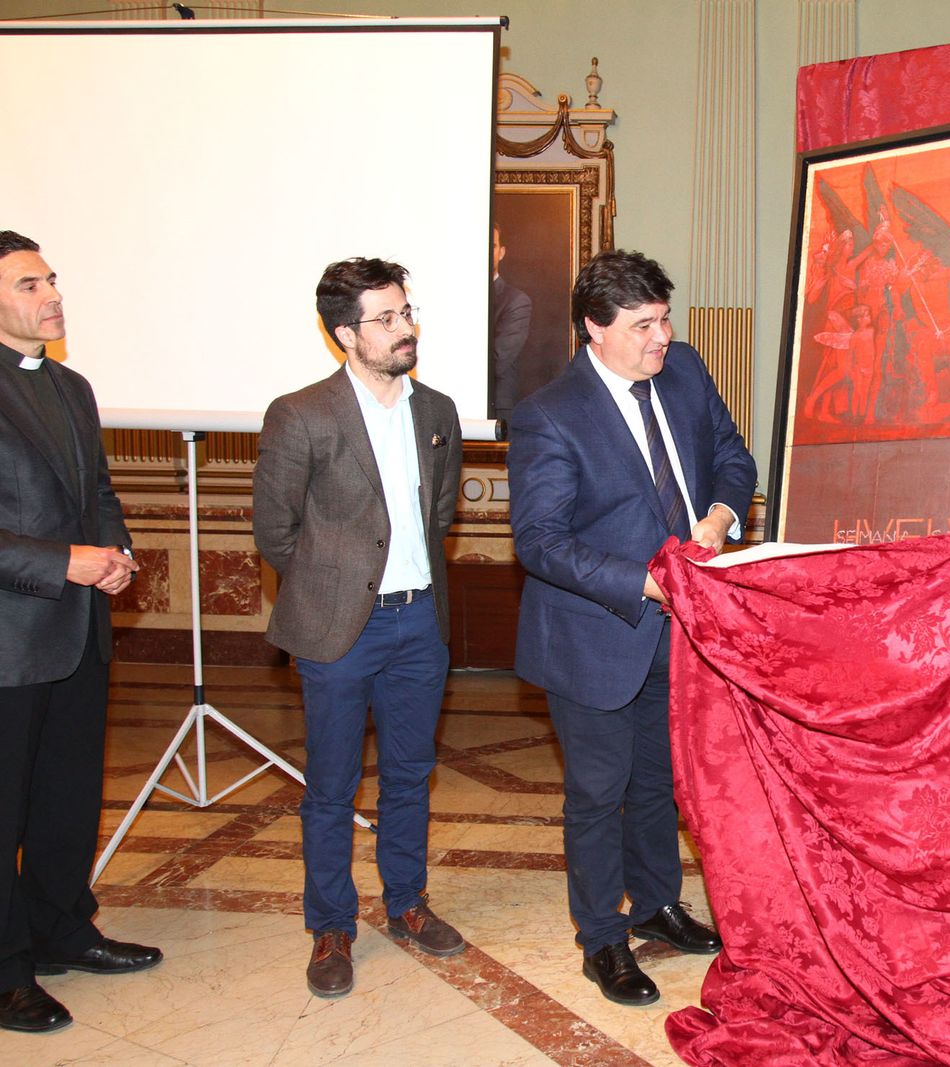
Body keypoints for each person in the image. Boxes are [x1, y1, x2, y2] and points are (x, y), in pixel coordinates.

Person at [508, 250, 757, 1007]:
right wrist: (642, 581)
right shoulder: (550, 413)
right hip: (595, 637)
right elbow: (540, 539)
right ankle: (602, 939)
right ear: (594, 327)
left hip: (680, 632)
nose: (663, 336)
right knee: (596, 792)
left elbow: (730, 455)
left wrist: (720, 513)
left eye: (665, 318)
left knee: (658, 783)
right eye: (644, 324)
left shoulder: (682, 371)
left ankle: (655, 903)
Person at [253, 257, 465, 999]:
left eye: (406, 312)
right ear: (346, 333)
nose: (405, 328)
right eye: (386, 318)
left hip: (419, 626)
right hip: (338, 631)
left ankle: (406, 901)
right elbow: (275, 532)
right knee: (332, 786)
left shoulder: (436, 410)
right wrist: (334, 591)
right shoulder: (302, 413)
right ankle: (331, 926)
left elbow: (440, 518)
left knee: (409, 774)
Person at [0, 230, 161, 1034]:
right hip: (8, 638)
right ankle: (4, 970)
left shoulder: (71, 385)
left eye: (52, 279)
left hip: (77, 630)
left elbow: (96, 489)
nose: (52, 294)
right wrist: (65, 560)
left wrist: (116, 554)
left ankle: (63, 928)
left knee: (67, 798)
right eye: (30, 284)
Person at [490, 224, 534, 423]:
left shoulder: (516, 301)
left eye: (492, 245)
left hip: (496, 410)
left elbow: (498, 360)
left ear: (501, 252)